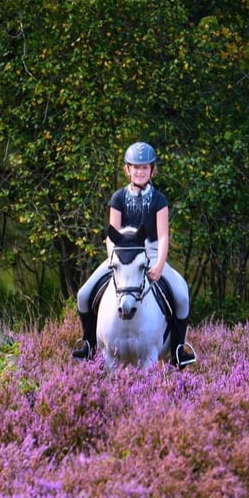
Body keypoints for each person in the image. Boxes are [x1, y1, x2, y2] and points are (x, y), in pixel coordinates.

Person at [72, 141, 195, 368]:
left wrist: (159, 265)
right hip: (121, 256)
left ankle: (179, 350)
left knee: (182, 296)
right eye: (136, 167)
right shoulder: (118, 198)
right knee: (83, 294)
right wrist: (113, 261)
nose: (140, 171)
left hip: (151, 252)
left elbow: (164, 236)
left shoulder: (159, 199)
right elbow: (112, 235)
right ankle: (88, 344)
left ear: (152, 170)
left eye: (145, 167)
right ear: (127, 169)